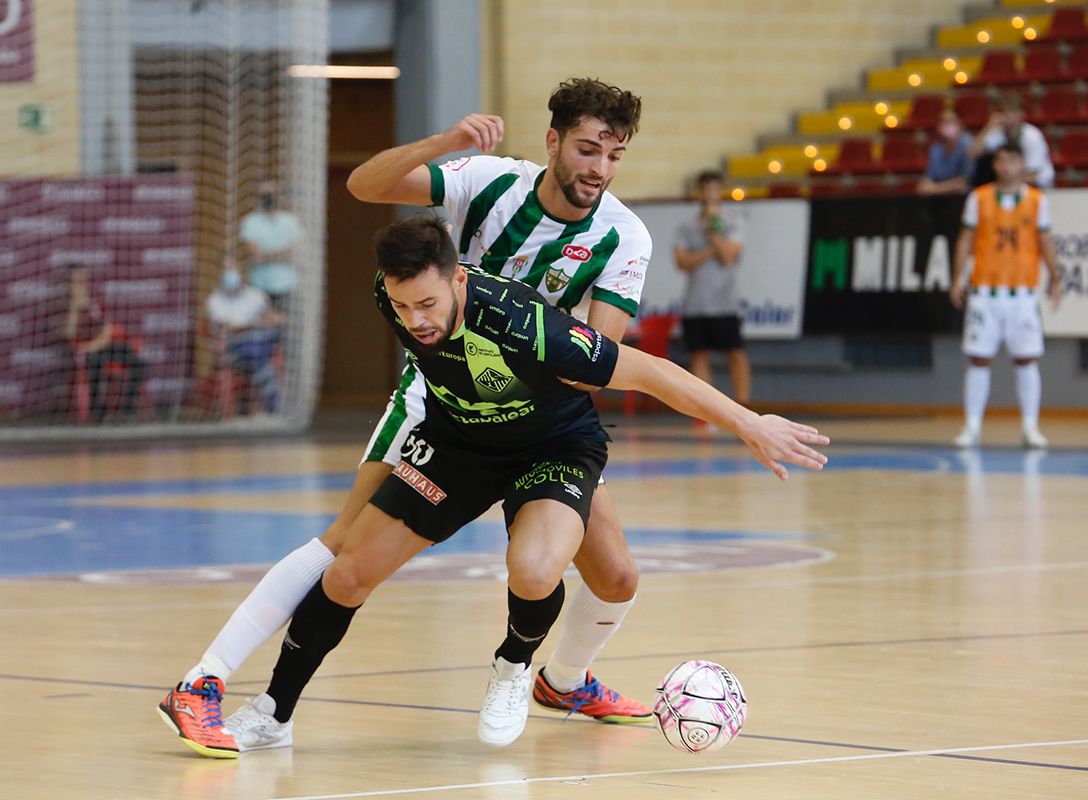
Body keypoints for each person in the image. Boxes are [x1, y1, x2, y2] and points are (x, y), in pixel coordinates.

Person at [161, 216, 828, 754]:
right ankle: (274, 712)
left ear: (458, 278)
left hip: (553, 446)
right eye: (402, 305)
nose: (416, 318)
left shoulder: (524, 322)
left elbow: (648, 371)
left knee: (537, 570)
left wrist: (747, 422)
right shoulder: (389, 297)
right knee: (347, 573)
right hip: (459, 444)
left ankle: (515, 668)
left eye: (428, 302)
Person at [159, 77, 658, 758]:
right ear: (553, 142)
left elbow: (595, 357)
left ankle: (563, 680)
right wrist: (450, 143)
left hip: (535, 416)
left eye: (613, 154)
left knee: (617, 577)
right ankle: (205, 682)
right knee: (345, 547)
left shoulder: (624, 236)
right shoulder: (488, 181)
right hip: (442, 398)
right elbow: (367, 185)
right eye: (587, 149)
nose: (598, 167)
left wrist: (517, 329)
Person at [950, 144, 1062, 450]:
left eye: (1013, 159)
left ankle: (1030, 427)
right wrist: (956, 278)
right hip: (985, 291)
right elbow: (965, 239)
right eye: (1002, 160)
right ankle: (972, 426)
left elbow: (1047, 241)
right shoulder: (979, 198)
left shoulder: (1038, 201)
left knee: (1026, 359)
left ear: (1023, 164)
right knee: (978, 358)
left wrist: (1055, 277)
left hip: (1022, 293)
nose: (1007, 166)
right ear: (996, 165)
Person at [672, 171, 751, 404]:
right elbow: (682, 262)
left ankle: (743, 405)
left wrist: (712, 231)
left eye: (714, 189)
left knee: (735, 353)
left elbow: (728, 256)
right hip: (696, 303)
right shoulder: (686, 225)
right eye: (705, 190)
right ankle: (705, 409)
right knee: (699, 354)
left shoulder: (734, 221)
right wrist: (710, 250)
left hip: (724, 302)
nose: (709, 195)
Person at [62, 263, 146, 422]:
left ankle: (128, 410)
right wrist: (75, 307)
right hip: (83, 352)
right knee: (94, 363)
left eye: (84, 280)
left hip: (100, 346)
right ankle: (98, 412)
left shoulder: (96, 299)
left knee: (139, 363)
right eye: (77, 281)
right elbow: (69, 334)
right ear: (69, 282)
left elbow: (108, 329)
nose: (82, 284)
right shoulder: (64, 303)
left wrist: (95, 345)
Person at [205, 256, 284, 413]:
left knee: (261, 342)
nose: (230, 274)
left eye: (233, 269)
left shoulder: (255, 295)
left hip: (262, 343)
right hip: (233, 349)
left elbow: (274, 319)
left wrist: (269, 320)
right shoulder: (214, 300)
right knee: (253, 347)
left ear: (241, 272)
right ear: (219, 274)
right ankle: (272, 405)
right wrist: (255, 323)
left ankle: (269, 403)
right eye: (226, 270)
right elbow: (229, 328)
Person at [239, 180, 303, 312]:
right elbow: (257, 256)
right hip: (259, 287)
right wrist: (283, 254)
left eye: (273, 193)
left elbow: (296, 253)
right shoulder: (251, 221)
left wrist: (267, 254)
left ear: (280, 195)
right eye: (265, 194)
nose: (269, 198)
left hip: (288, 285)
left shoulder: (291, 221)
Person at [967, 93, 1054, 189]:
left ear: (1021, 114)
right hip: (1009, 182)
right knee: (984, 162)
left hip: (1038, 184)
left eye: (1012, 112)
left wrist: (1006, 181)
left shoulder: (1032, 136)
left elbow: (1032, 174)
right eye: (1005, 112)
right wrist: (988, 126)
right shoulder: (997, 132)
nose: (1008, 116)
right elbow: (972, 153)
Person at [916, 109, 974, 196]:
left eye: (950, 121)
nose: (947, 124)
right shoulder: (936, 148)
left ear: (960, 123)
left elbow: (965, 181)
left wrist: (936, 189)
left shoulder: (969, 145)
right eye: (943, 121)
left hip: (962, 197)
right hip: (939, 199)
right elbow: (929, 176)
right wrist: (924, 185)